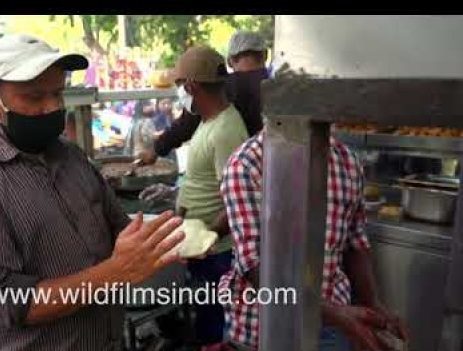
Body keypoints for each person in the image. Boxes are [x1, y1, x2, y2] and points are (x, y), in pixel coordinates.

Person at [0, 34, 186, 351]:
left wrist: (172, 239)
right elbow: (7, 300)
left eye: (57, 93)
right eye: (34, 97)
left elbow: (116, 225)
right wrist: (114, 272)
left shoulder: (72, 156)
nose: (53, 107)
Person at [219, 131, 408, 351]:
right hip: (262, 328)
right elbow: (257, 268)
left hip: (332, 329)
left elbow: (355, 242)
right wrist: (338, 316)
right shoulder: (246, 165)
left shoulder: (347, 161)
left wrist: (372, 303)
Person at [170, 45, 249, 350]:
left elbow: (236, 202)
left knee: (216, 329)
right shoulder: (208, 122)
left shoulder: (226, 130)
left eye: (179, 85)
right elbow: (208, 181)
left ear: (191, 86)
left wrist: (206, 237)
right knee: (206, 322)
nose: (180, 92)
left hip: (218, 254)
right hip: (206, 250)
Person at [139, 30, 269, 165]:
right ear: (265, 55)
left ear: (230, 61)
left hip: (237, 170)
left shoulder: (222, 90)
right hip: (273, 171)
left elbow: (186, 124)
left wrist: (156, 149)